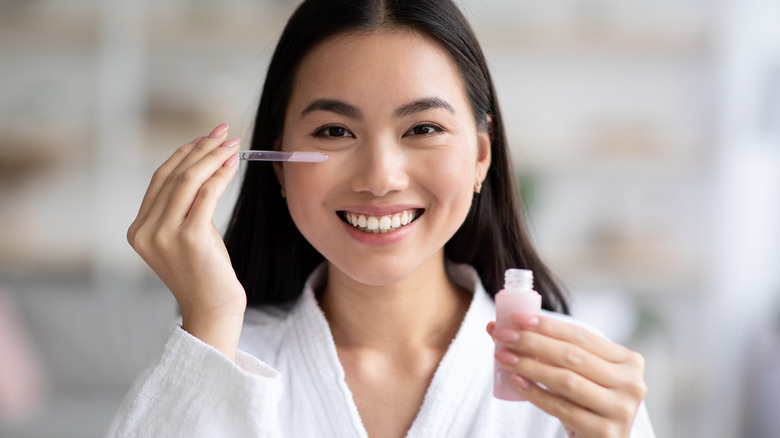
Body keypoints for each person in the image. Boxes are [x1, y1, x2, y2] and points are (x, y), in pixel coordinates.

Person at [111, 0, 655, 437]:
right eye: (334, 131)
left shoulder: (565, 381)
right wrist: (208, 323)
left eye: (422, 129)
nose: (380, 177)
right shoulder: (221, 352)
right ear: (277, 162)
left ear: (481, 158)